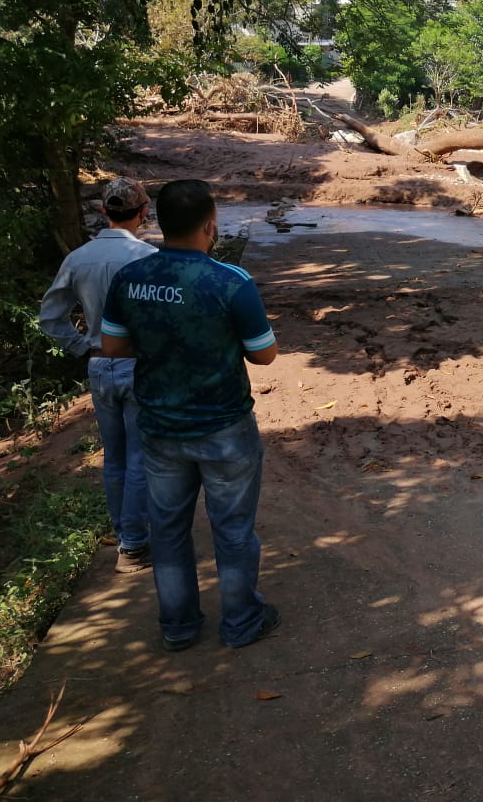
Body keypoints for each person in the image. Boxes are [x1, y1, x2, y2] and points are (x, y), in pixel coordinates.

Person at [100, 179, 280, 651]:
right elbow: (264, 356)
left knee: (169, 530)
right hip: (224, 427)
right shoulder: (231, 282)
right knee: (234, 529)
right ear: (210, 225)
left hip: (158, 427)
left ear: (157, 220)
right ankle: (241, 622)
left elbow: (113, 346)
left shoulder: (130, 279)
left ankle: (178, 627)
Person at [39, 177, 158, 573]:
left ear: (103, 211)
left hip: (97, 364)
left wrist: (81, 347)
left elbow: (51, 318)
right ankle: (135, 544)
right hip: (138, 364)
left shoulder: (77, 259)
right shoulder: (147, 258)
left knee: (115, 456)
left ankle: (126, 535)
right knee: (141, 454)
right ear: (143, 212)